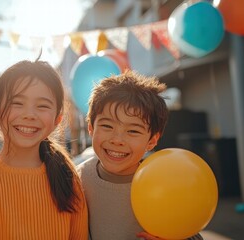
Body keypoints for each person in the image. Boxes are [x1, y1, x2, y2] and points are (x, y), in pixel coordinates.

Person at [0, 60, 88, 239]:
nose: (29, 115)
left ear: (57, 119)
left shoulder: (67, 177)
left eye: (42, 106)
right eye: (17, 103)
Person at [77, 70, 203, 240]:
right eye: (107, 126)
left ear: (152, 140)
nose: (117, 140)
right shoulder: (78, 178)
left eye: (133, 131)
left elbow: (191, 232)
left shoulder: (164, 181)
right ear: (91, 128)